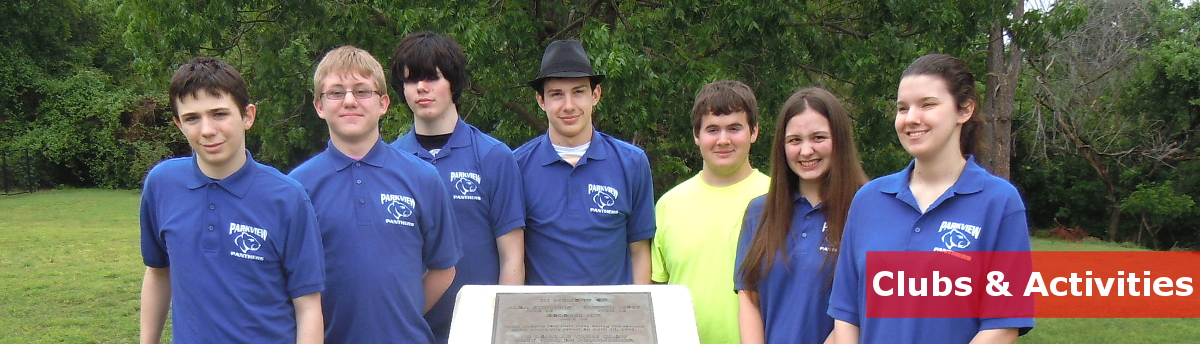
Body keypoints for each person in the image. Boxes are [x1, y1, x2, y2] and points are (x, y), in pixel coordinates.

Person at [828, 53, 1035, 343]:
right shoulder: (868, 200)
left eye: (928, 104)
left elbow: (1002, 325)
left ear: (964, 110)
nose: (911, 118)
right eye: (902, 108)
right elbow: (846, 314)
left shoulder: (999, 202)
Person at [139, 56, 325, 344]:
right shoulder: (162, 184)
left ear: (247, 116)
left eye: (219, 114)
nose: (207, 130)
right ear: (178, 123)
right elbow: (157, 272)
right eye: (192, 118)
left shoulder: (287, 198)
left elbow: (308, 305)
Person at [288, 46, 461, 343]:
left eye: (362, 91)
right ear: (319, 106)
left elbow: (444, 269)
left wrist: (402, 316)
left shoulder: (422, 178)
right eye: (336, 92)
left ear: (383, 104)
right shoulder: (295, 188)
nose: (350, 101)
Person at [388, 32, 526, 344]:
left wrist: (505, 329)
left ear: (453, 82)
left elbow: (512, 258)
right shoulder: (388, 163)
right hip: (410, 330)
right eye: (411, 80)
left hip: (478, 331)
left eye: (432, 78)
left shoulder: (493, 156)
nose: (422, 88)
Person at [513, 39, 655, 286]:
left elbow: (640, 252)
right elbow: (511, 255)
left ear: (595, 95)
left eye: (578, 92)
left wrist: (637, 319)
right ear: (541, 101)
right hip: (541, 321)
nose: (568, 106)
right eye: (557, 94)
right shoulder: (516, 166)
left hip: (613, 320)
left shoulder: (632, 163)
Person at [734, 87, 868, 344]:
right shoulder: (758, 213)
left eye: (818, 138)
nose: (806, 151)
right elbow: (749, 299)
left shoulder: (868, 208)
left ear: (839, 139)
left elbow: (865, 306)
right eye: (795, 140)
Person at [652, 80, 770, 343]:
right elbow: (657, 293)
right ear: (696, 135)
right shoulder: (669, 205)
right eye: (712, 129)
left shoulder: (779, 200)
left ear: (754, 132)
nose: (723, 140)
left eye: (734, 128)